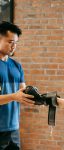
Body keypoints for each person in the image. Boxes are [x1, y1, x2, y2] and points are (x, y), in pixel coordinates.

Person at [0, 21, 34, 150]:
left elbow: (23, 92)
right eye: (10, 42)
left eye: (16, 43)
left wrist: (38, 98)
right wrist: (14, 96)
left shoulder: (16, 66)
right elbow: (16, 96)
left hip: (13, 128)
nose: (14, 46)